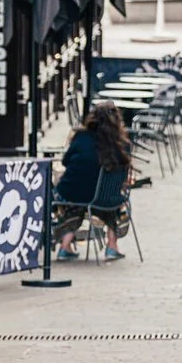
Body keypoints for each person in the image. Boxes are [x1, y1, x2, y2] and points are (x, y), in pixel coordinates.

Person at [55, 102, 134, 261]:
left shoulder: (81, 137)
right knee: (112, 203)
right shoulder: (122, 145)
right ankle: (112, 245)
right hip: (105, 198)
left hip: (73, 192)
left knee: (75, 205)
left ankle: (65, 245)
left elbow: (65, 162)